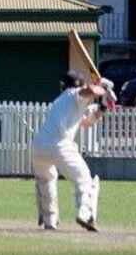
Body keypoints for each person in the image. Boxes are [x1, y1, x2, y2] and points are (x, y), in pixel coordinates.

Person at [29, 70, 112, 232]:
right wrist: (101, 86)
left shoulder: (60, 102)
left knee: (46, 180)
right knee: (84, 178)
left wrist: (102, 106)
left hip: (39, 146)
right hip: (59, 144)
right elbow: (91, 91)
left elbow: (86, 122)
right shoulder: (73, 93)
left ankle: (50, 221)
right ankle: (85, 214)